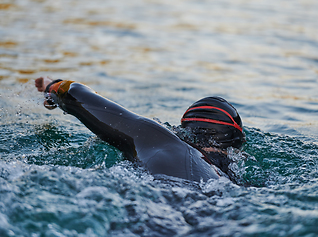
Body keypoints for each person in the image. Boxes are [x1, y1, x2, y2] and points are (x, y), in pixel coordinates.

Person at [35, 77, 246, 183]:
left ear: (184, 131)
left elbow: (77, 95)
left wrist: (51, 86)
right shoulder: (233, 183)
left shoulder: (161, 139)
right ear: (236, 146)